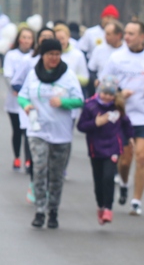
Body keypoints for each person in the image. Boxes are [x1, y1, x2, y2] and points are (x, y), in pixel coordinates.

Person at [18, 38, 84, 229]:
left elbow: (79, 100)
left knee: (55, 174)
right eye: (50, 54)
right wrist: (26, 105)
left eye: (57, 54)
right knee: (39, 169)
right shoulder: (33, 74)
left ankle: (53, 210)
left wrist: (63, 102)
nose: (54, 58)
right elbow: (22, 95)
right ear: (43, 55)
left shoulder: (68, 76)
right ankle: (40, 210)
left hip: (61, 133)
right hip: (37, 130)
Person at [100, 21, 144, 215]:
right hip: (123, 116)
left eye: (131, 33)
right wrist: (119, 93)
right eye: (126, 33)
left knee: (142, 157)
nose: (126, 37)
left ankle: (136, 201)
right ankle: (124, 182)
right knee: (125, 161)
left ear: (142, 36)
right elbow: (104, 85)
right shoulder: (116, 57)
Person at [77, 76, 134, 225]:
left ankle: (108, 208)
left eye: (110, 94)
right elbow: (81, 126)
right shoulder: (90, 106)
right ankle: (101, 205)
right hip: (95, 148)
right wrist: (96, 123)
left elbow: (126, 122)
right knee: (99, 180)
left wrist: (130, 137)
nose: (107, 97)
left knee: (109, 177)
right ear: (99, 92)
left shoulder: (117, 106)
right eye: (104, 93)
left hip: (113, 146)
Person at [12, 27, 56, 197]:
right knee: (34, 150)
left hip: (53, 115)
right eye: (43, 37)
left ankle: (48, 186)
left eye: (49, 37)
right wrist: (28, 98)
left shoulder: (61, 65)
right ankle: (34, 183)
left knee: (51, 154)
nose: (46, 39)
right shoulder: (29, 61)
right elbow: (16, 82)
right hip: (32, 113)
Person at [3, 26, 34, 171]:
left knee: (28, 130)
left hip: (29, 100)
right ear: (19, 39)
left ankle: (28, 159)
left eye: (29, 38)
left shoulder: (34, 56)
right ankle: (17, 157)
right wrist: (16, 89)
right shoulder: (12, 55)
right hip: (14, 100)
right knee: (17, 130)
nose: (26, 41)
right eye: (24, 37)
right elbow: (8, 74)